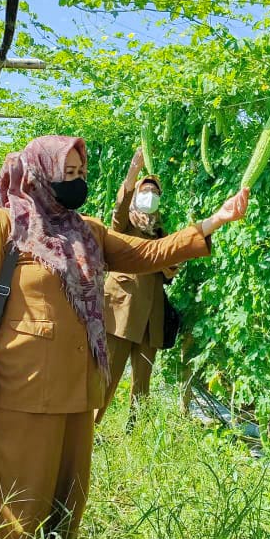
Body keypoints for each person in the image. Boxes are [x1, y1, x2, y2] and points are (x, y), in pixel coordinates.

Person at [0, 135, 249, 539]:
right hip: (21, 391)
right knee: (15, 506)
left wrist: (211, 223)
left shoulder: (88, 230)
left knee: (67, 505)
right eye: (67, 173)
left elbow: (146, 254)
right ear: (40, 170)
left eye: (81, 174)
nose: (76, 181)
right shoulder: (4, 222)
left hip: (78, 393)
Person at [98, 148, 176, 428]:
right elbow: (120, 207)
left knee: (142, 383)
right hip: (121, 311)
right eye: (147, 190)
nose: (151, 195)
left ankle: (136, 430)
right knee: (107, 375)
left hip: (150, 317)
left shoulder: (160, 232)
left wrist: (170, 267)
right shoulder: (124, 225)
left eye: (155, 192)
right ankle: (89, 428)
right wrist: (133, 173)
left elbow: (170, 271)